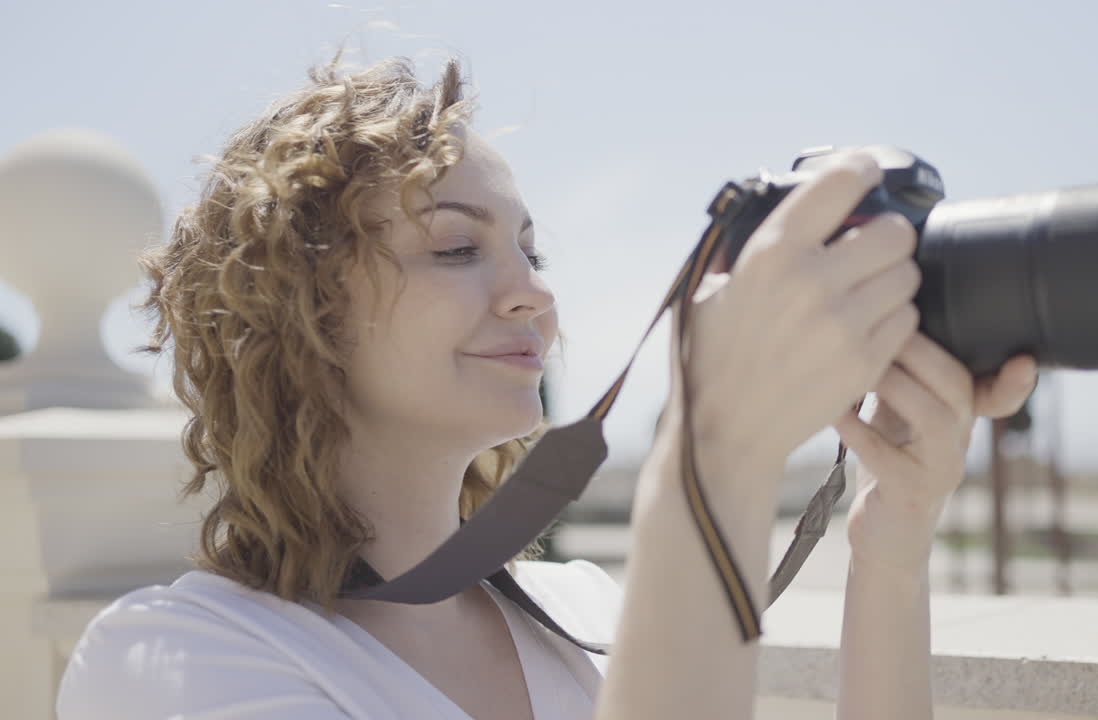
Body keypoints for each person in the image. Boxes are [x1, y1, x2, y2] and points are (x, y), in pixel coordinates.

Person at [56, 50, 1035, 720]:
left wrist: (887, 552)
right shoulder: (168, 664)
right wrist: (712, 454)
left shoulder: (589, 615)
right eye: (454, 246)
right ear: (293, 311)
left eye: (529, 248)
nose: (533, 294)